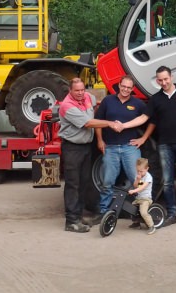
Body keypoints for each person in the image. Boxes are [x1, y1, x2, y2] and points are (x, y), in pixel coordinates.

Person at [120, 66, 176, 228]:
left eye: (166, 79)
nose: (163, 82)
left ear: (171, 77)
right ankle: (172, 214)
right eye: (160, 80)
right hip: (164, 145)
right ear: (157, 80)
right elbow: (147, 119)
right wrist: (127, 127)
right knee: (167, 183)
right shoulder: (156, 99)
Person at [57, 77, 118, 233]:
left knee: (84, 183)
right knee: (73, 184)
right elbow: (88, 123)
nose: (80, 93)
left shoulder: (88, 97)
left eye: (82, 90)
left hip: (85, 147)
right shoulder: (67, 106)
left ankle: (79, 216)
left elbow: (96, 104)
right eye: (76, 90)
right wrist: (110, 123)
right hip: (72, 148)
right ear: (70, 91)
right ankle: (71, 221)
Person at [90, 75, 152, 226]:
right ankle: (103, 213)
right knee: (107, 182)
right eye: (123, 86)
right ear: (118, 85)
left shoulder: (138, 104)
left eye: (129, 88)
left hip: (129, 148)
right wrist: (99, 140)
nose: (125, 90)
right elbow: (98, 122)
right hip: (110, 147)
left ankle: (140, 214)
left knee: (137, 181)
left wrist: (143, 138)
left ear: (132, 89)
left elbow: (151, 120)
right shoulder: (108, 101)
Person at [128, 157, 156, 235]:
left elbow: (142, 187)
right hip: (139, 198)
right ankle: (136, 223)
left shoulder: (148, 177)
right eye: (138, 171)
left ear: (147, 169)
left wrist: (133, 191)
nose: (139, 173)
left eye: (141, 171)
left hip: (146, 199)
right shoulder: (139, 176)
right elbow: (136, 185)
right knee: (130, 208)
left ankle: (151, 226)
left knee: (143, 212)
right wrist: (137, 179)